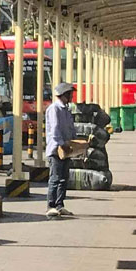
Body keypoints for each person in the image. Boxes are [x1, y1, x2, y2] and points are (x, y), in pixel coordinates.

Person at [44, 82, 82, 218]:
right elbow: (54, 130)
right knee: (55, 177)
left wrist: (74, 142)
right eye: (70, 94)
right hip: (56, 150)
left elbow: (70, 128)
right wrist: (61, 144)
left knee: (64, 178)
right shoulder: (54, 109)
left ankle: (60, 205)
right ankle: (51, 205)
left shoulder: (66, 109)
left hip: (66, 148)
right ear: (64, 94)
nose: (72, 96)